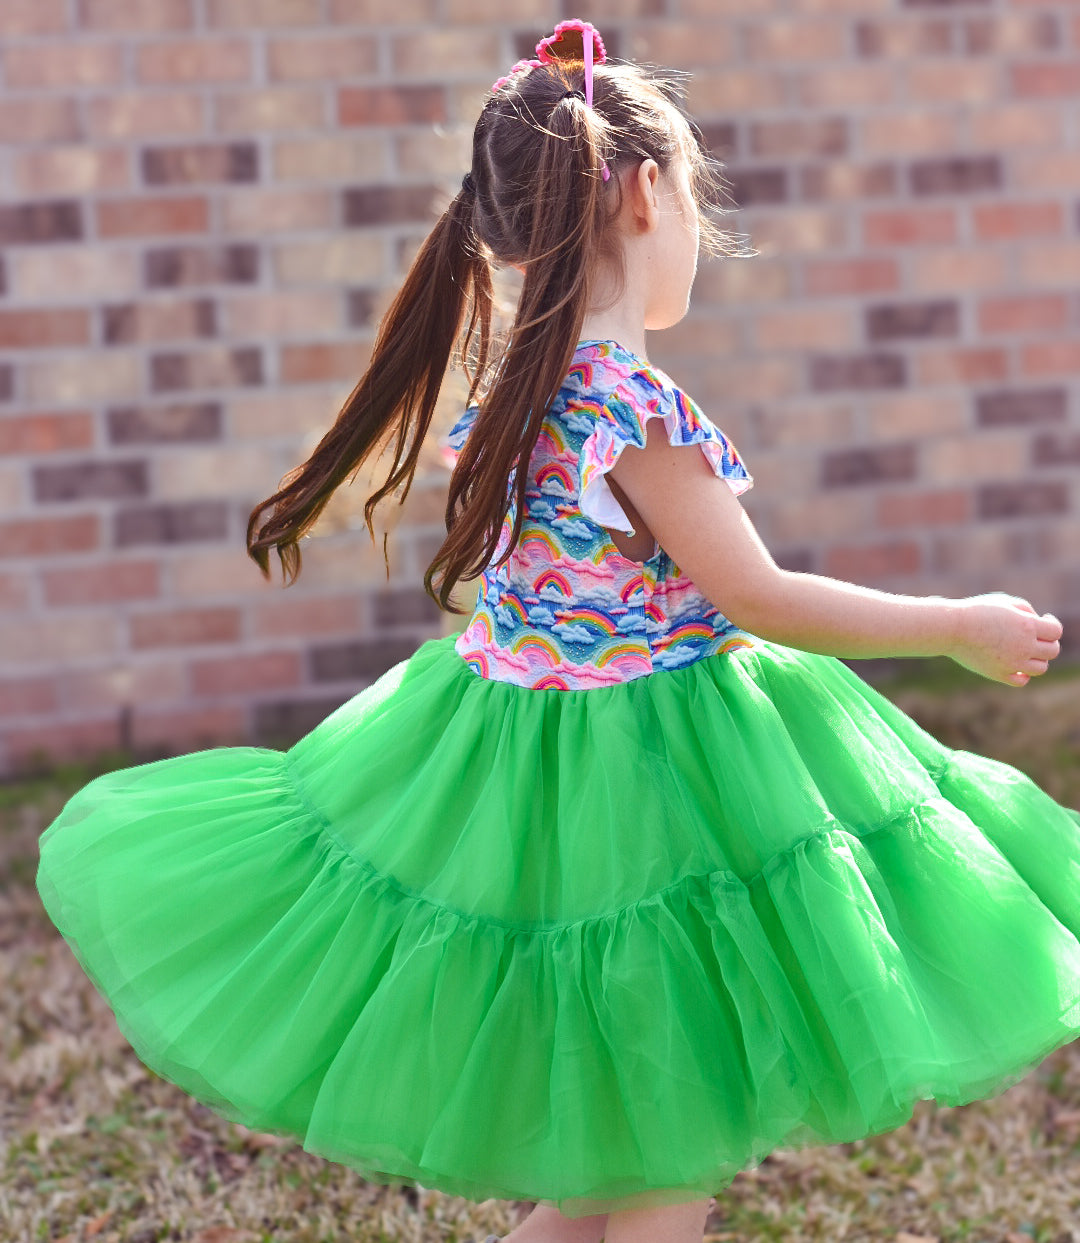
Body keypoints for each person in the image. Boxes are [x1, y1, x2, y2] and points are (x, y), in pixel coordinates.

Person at [36, 19, 1080, 1243]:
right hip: (655, 787)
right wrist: (954, 625)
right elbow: (760, 597)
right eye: (694, 194)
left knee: (618, 1162)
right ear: (643, 194)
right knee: (667, 1148)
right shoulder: (629, 406)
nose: (700, 225)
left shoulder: (518, 399)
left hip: (525, 770)